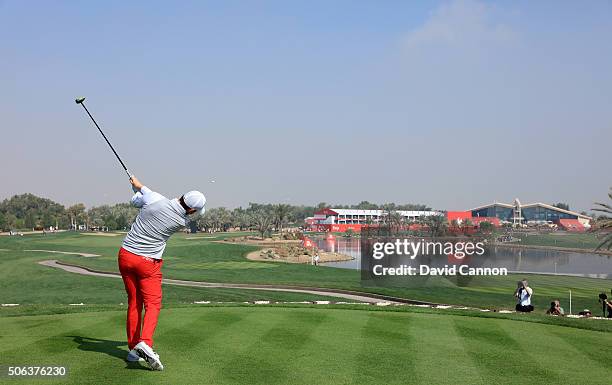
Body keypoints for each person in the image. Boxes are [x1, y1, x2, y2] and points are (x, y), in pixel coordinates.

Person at [118, 175, 205, 371]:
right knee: (153, 304)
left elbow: (139, 198)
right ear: (191, 210)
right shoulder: (181, 220)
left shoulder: (155, 198)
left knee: (134, 302)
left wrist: (137, 186)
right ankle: (145, 343)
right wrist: (140, 191)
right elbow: (144, 198)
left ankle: (133, 350)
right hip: (148, 263)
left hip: (125, 255)